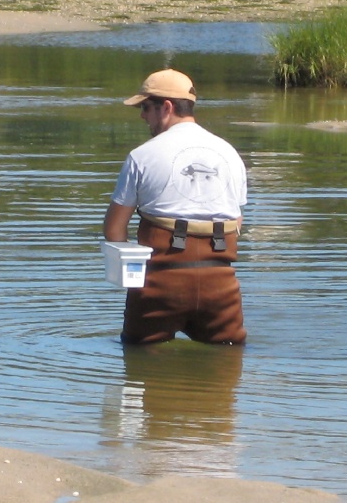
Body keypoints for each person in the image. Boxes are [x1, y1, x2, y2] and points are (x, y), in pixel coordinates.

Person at [103, 69, 248, 345]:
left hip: (160, 285)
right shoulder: (230, 154)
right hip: (221, 288)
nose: (142, 115)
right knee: (226, 360)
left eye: (146, 107)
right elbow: (236, 222)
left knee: (140, 362)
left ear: (166, 107)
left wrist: (131, 276)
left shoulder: (142, 156)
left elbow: (113, 230)